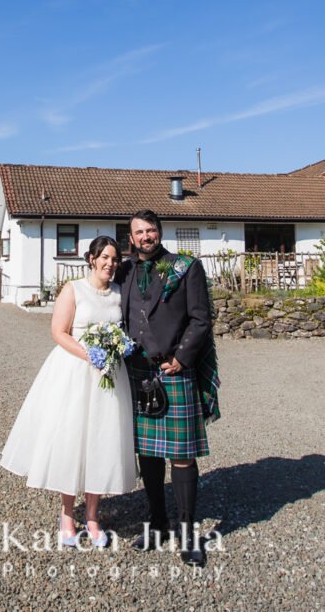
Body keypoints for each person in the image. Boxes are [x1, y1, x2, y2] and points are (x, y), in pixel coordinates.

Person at [0, 235, 138, 547]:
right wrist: (90, 354)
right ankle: (66, 513)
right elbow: (58, 332)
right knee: (72, 440)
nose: (110, 264)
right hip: (75, 372)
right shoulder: (73, 289)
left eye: (115, 259)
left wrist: (116, 351)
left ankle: (92, 515)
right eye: (104, 257)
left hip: (109, 376)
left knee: (101, 441)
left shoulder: (118, 293)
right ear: (91, 259)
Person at [116, 209, 220, 567]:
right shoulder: (125, 270)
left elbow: (200, 318)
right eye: (139, 232)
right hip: (137, 371)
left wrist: (183, 356)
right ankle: (158, 523)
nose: (146, 236)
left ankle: (189, 534)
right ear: (131, 238)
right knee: (147, 453)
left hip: (172, 370)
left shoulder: (185, 266)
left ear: (159, 232)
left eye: (151, 230)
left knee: (180, 454)